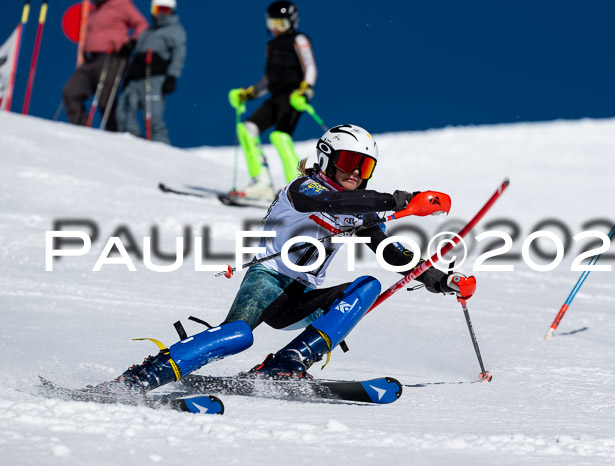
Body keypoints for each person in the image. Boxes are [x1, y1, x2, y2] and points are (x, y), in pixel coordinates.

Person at [94, 124, 470, 395]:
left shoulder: (359, 209)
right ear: (326, 159)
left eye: (365, 167)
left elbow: (393, 253)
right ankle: (142, 377)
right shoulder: (302, 188)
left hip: (302, 295)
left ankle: (287, 362)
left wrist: (443, 280)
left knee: (367, 286)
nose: (356, 173)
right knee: (238, 335)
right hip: (268, 280)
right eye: (349, 161)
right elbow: (329, 203)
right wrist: (401, 201)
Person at [228, 1, 318, 202]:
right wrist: (250, 94)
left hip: (293, 97)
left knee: (280, 137)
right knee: (247, 128)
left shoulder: (299, 39)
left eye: (281, 24)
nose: (276, 28)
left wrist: (305, 90)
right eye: (272, 23)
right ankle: (261, 183)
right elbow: (269, 80)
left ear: (292, 22)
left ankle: (299, 191)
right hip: (275, 96)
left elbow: (310, 66)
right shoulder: (271, 46)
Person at [62, 0, 148, 131]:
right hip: (90, 60)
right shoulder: (94, 10)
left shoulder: (121, 4)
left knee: (106, 100)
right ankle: (82, 130)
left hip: (112, 58)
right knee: (71, 92)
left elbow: (142, 25)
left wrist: (132, 43)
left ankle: (117, 136)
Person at [117, 0, 186, 144]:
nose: (160, 13)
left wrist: (172, 76)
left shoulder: (175, 30)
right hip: (135, 77)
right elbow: (137, 50)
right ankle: (134, 143)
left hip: (155, 77)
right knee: (123, 113)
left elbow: (179, 54)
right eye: (157, 9)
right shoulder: (146, 31)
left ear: (171, 11)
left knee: (152, 117)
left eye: (164, 9)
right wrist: (130, 47)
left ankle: (161, 152)